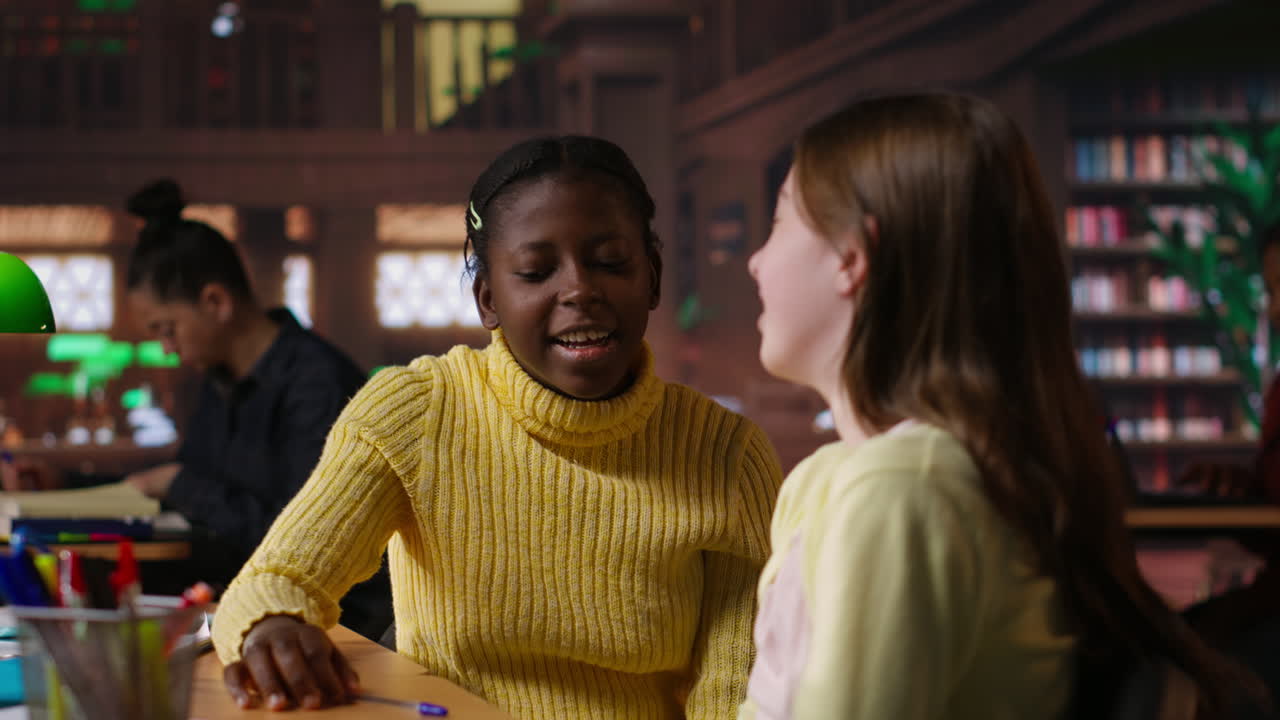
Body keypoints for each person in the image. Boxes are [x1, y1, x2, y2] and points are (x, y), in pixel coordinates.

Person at [212, 136, 784, 718]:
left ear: (654, 279)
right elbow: (275, 580)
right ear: (488, 300)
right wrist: (273, 627)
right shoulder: (415, 413)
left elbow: (733, 693)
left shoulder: (726, 455)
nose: (580, 289)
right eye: (536, 272)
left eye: (611, 262)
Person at [738, 92, 1254, 719]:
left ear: (852, 258)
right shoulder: (851, 479)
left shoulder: (903, 490)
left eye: (780, 222)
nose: (756, 262)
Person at [1, 179, 392, 639]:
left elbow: (301, 538)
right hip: (232, 593)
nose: (167, 349)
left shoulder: (317, 383)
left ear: (215, 302)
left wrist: (180, 483)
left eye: (167, 329)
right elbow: (189, 485)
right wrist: (65, 481)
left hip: (318, 621)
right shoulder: (220, 379)